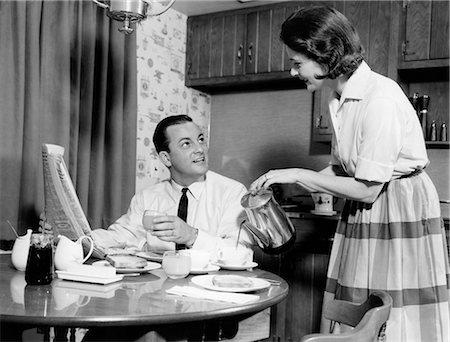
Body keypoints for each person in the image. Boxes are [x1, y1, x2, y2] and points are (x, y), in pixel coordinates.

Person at [250, 6, 449, 342]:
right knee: (358, 302)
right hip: (364, 210)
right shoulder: (338, 97)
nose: (293, 71)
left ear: (326, 55)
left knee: (393, 312)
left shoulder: (380, 98)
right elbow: (345, 168)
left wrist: (299, 173)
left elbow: (369, 188)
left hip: (396, 206)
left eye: (298, 62)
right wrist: (289, 178)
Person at [92, 114, 253, 257]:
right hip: (159, 287)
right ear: (166, 158)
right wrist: (79, 237)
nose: (199, 149)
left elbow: (242, 252)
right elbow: (122, 235)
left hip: (212, 287)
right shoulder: (147, 197)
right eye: (186, 144)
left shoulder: (232, 192)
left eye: (201, 139)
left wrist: (192, 236)